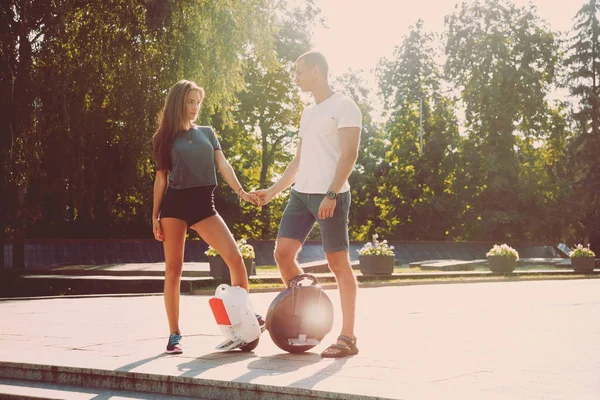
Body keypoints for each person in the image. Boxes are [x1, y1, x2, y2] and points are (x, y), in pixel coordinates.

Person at [252, 51, 362, 358]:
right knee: (282, 254)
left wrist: (331, 194)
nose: (296, 78)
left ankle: (348, 337)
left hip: (332, 195)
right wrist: (273, 191)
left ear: (316, 71)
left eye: (299, 72)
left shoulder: (345, 106)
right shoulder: (307, 112)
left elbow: (349, 154)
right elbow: (299, 160)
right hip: (301, 195)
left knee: (338, 264)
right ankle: (307, 307)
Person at [152, 79, 261, 354]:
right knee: (173, 270)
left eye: (198, 102)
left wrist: (241, 191)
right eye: (190, 101)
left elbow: (223, 164)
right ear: (179, 102)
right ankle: (174, 333)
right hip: (174, 206)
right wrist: (155, 216)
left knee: (235, 258)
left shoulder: (208, 133)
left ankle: (246, 318)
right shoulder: (163, 138)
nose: (195, 107)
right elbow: (161, 179)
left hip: (204, 204)